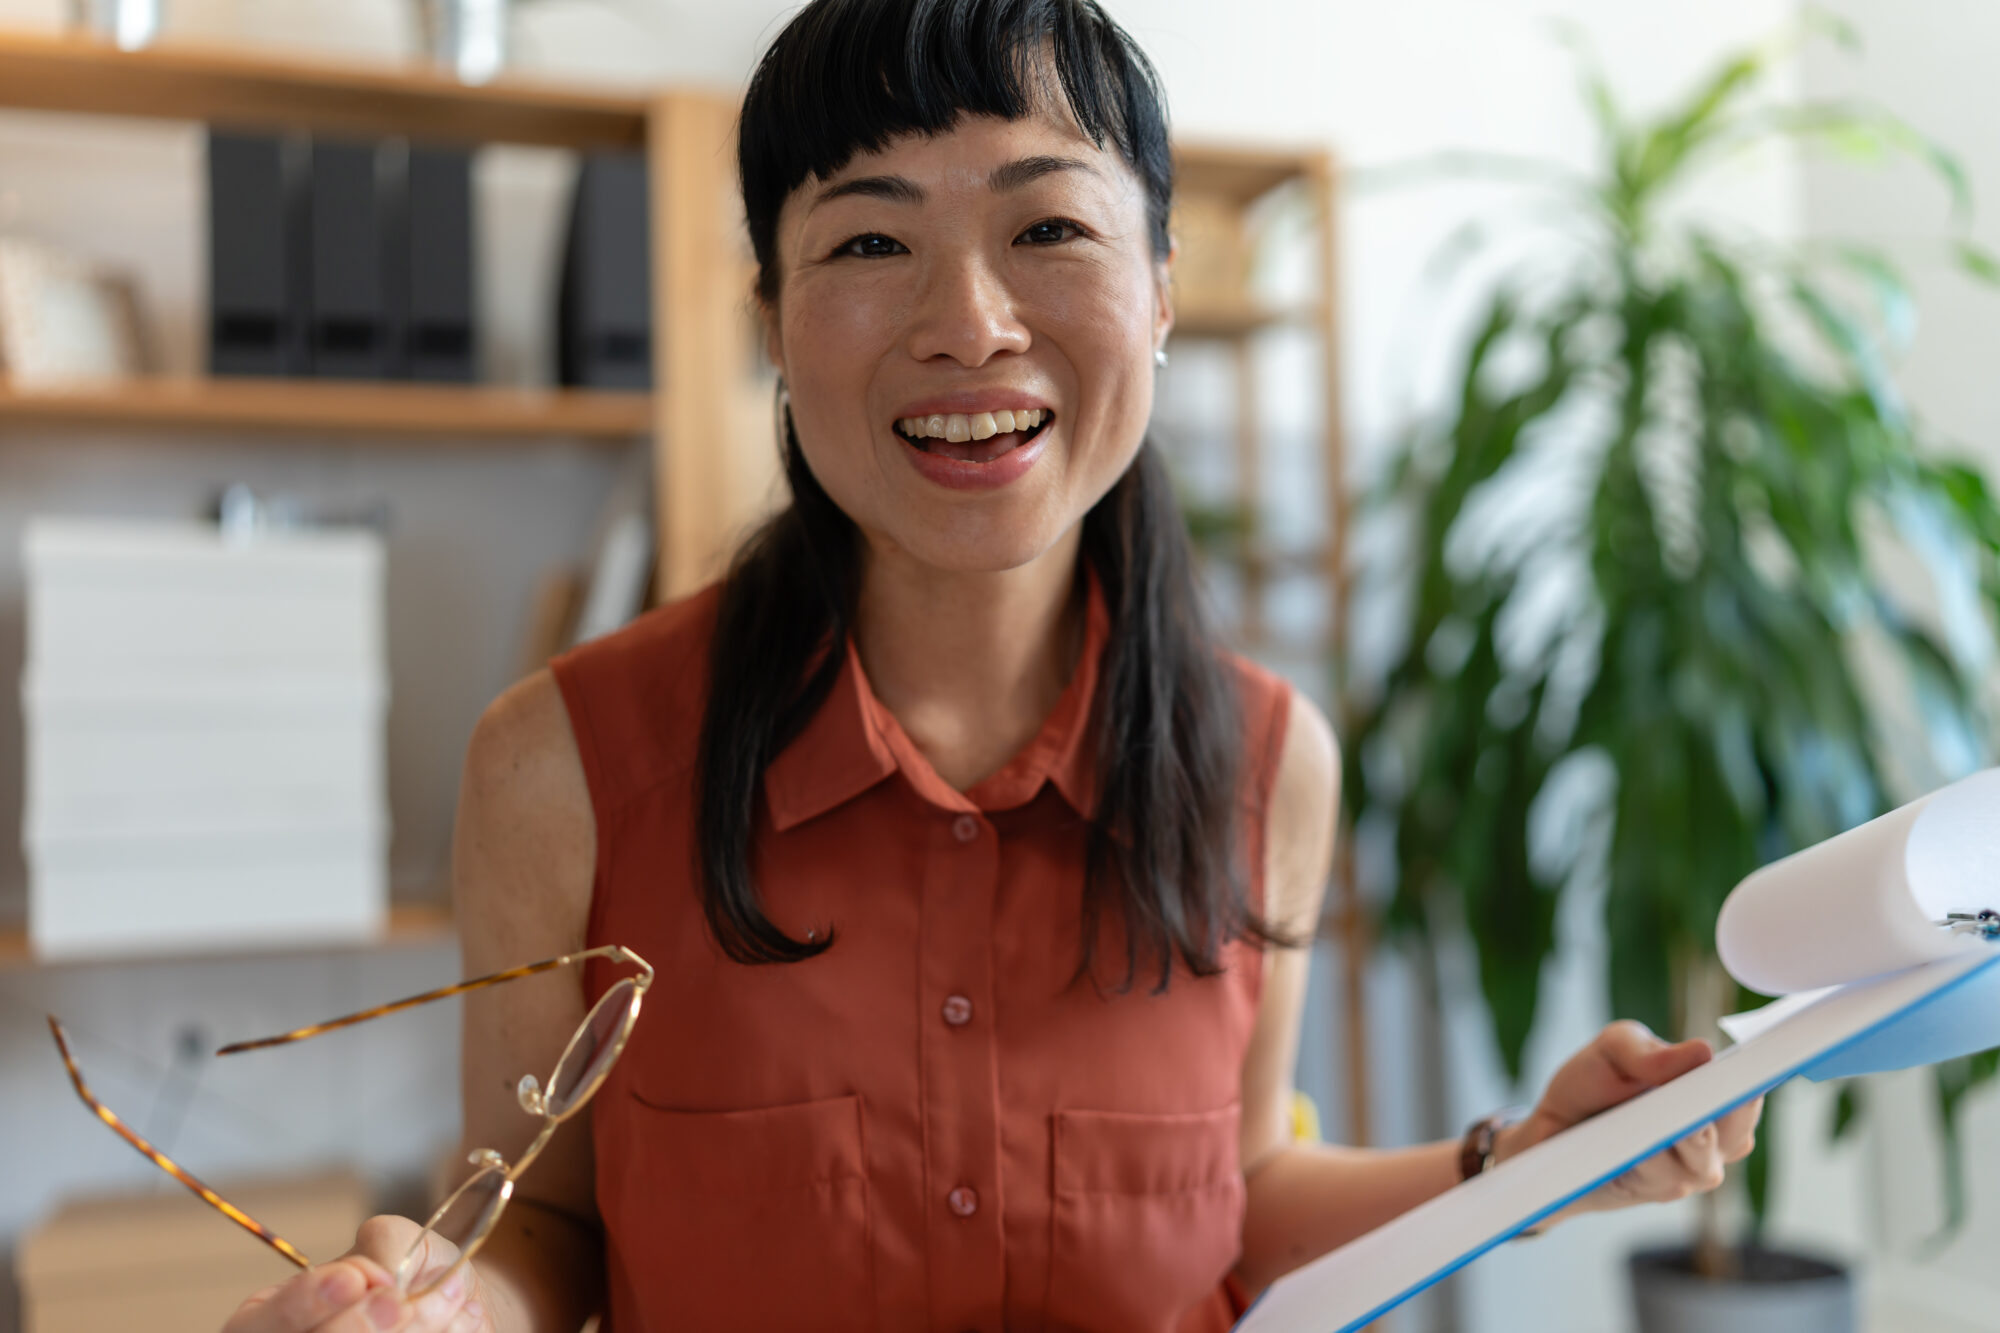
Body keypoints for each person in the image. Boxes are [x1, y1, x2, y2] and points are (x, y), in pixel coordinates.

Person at [223, 1, 1762, 1329]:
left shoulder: (1268, 759)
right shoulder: (558, 767)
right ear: (770, 317)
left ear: (1160, 288)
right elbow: (546, 1225)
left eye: (1047, 230)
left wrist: (1525, 1164)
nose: (969, 324)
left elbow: (1240, 1188)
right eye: (873, 239)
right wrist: (448, 1301)